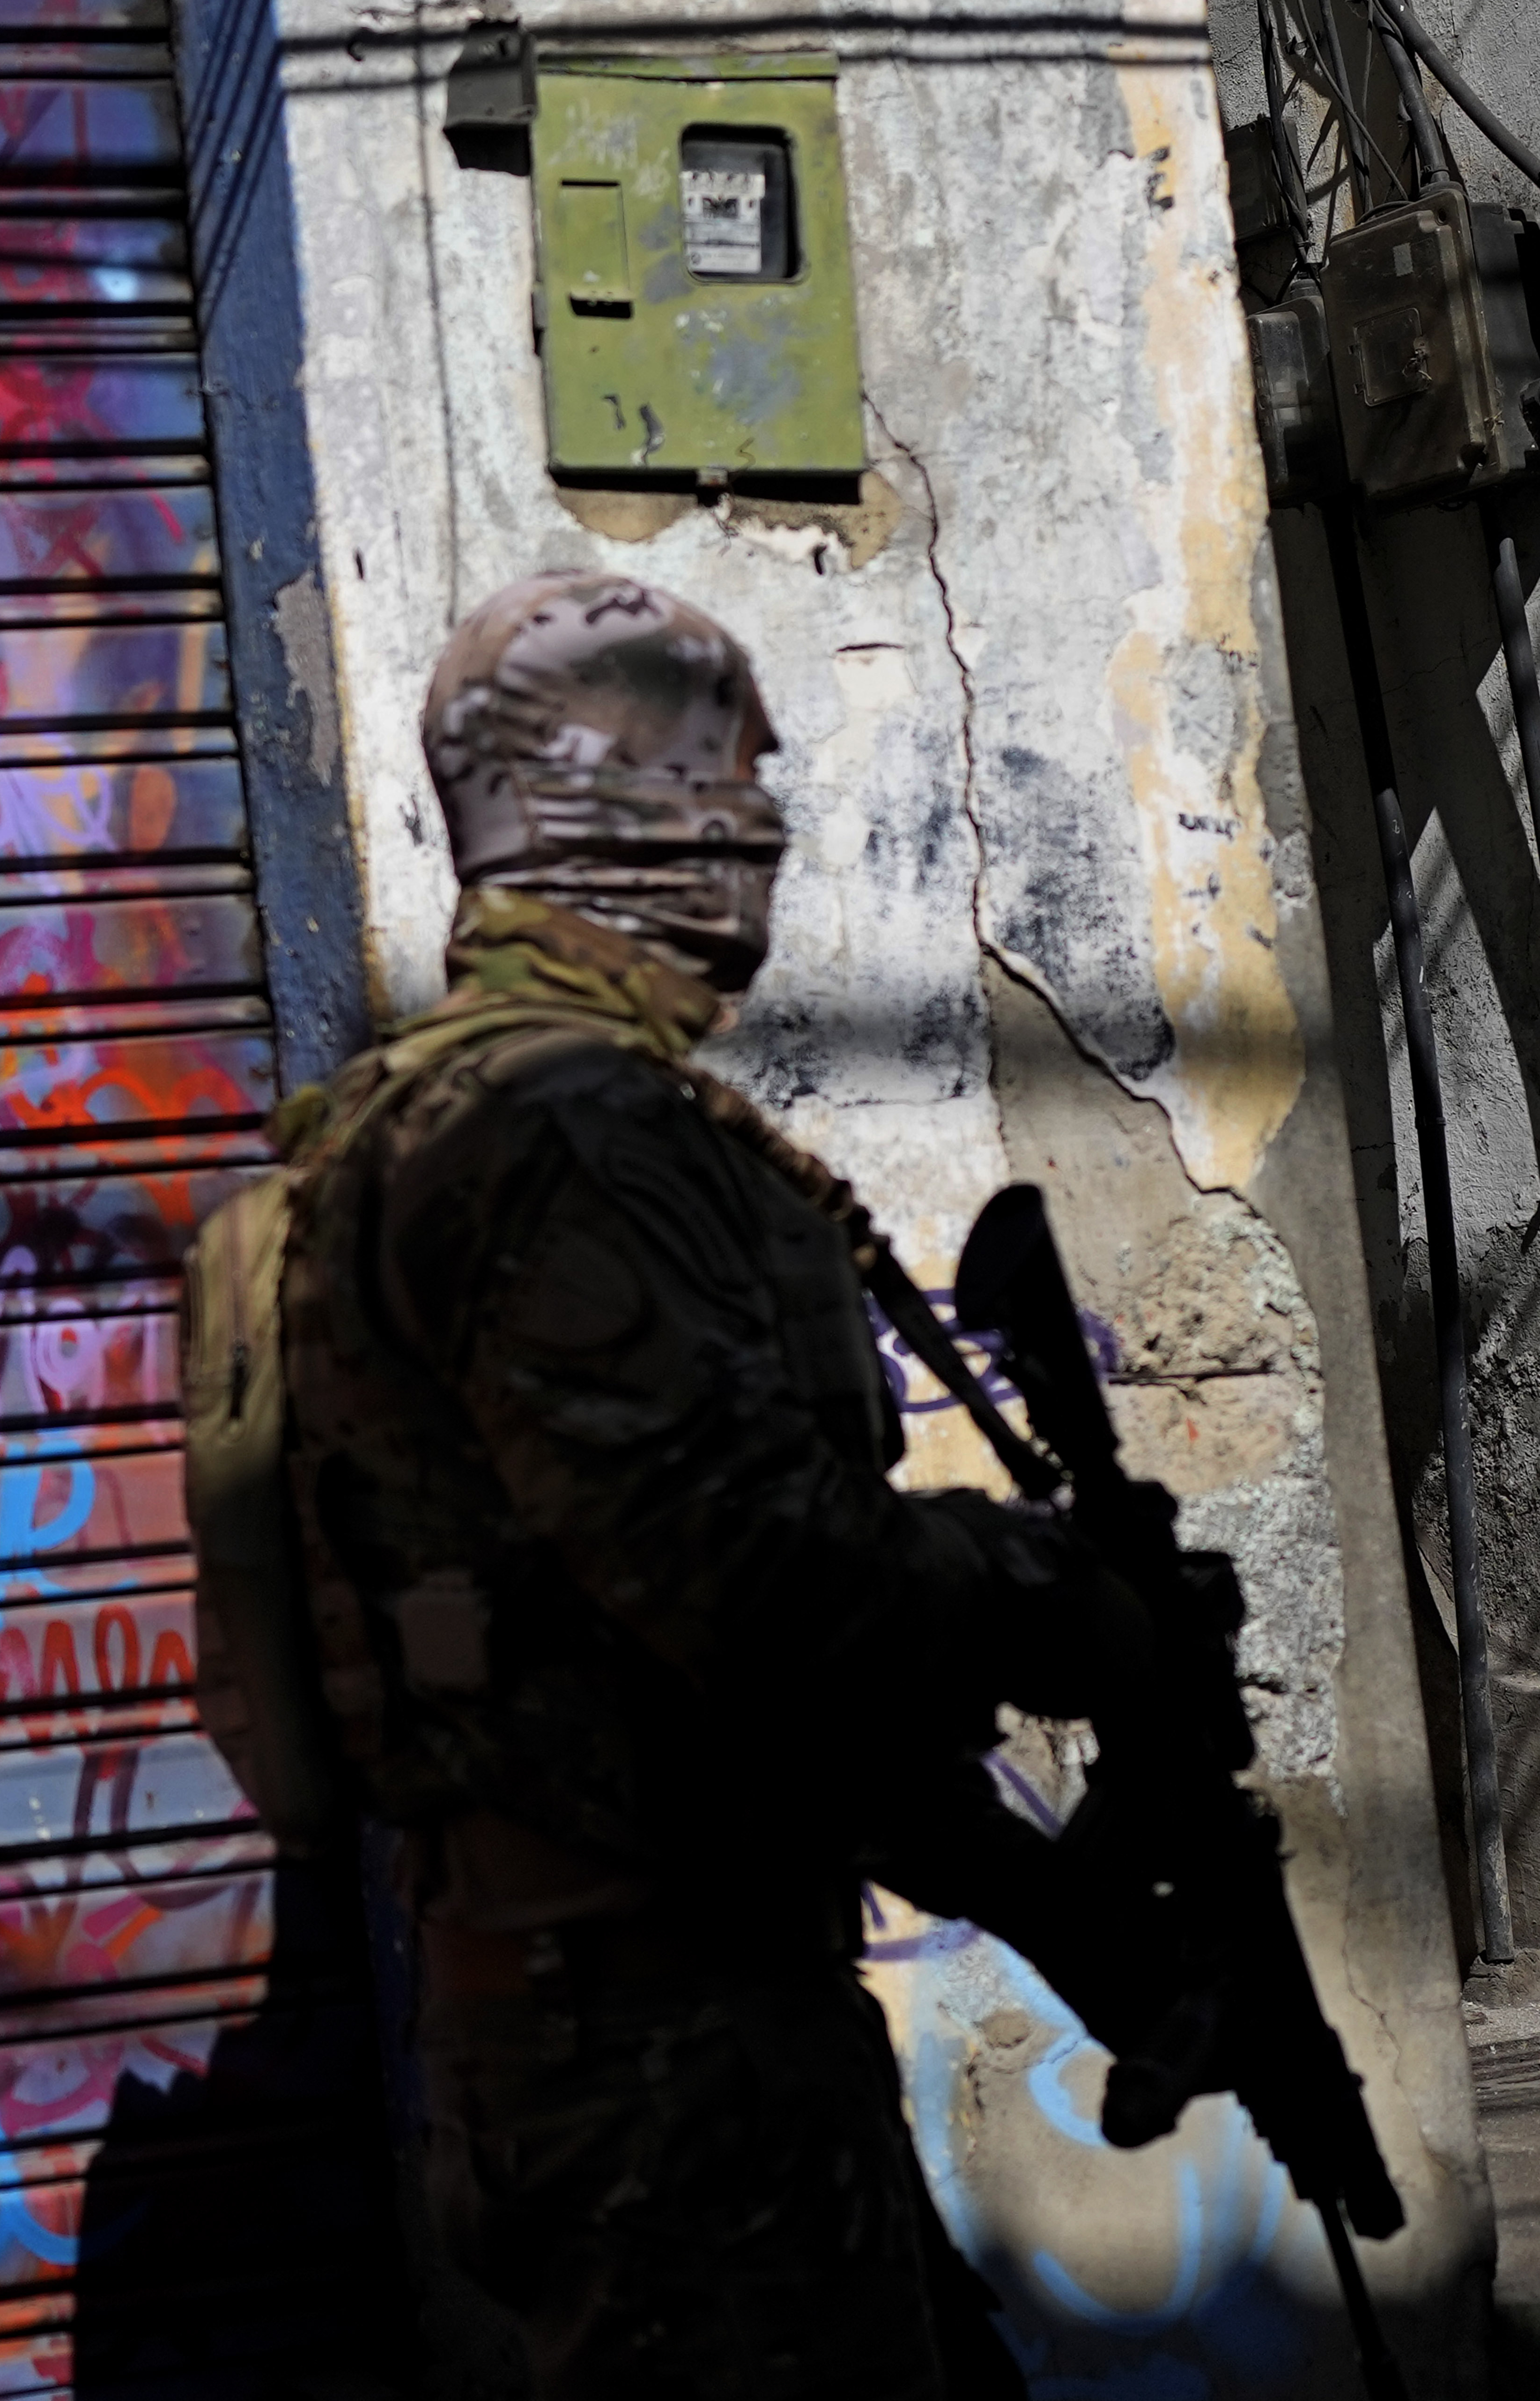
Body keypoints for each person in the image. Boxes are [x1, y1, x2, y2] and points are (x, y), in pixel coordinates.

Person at [199, 566, 1153, 2400]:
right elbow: (762, 1593)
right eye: (725, 782)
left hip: (622, 2040)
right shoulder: (560, 1141)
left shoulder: (409, 1140)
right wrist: (1053, 1596)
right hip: (672, 2071)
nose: (763, 832)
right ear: (604, 808)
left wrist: (1054, 1902)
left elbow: (655, 1664)